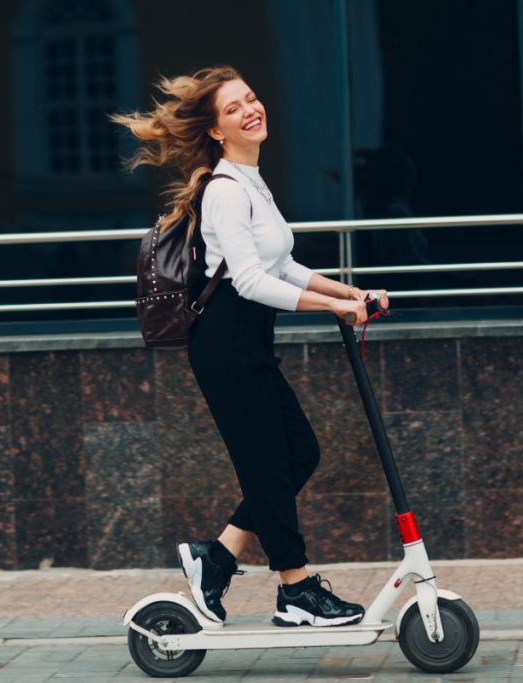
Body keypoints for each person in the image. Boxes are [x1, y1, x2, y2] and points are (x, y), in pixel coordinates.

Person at [113, 66, 389, 628]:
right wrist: (336, 309)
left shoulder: (251, 181)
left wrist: (351, 291)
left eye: (252, 99)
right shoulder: (222, 191)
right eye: (234, 108)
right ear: (216, 130)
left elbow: (283, 265)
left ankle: (215, 559)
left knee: (297, 454)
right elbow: (250, 281)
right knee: (268, 464)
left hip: (248, 343)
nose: (250, 110)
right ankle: (296, 590)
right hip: (226, 345)